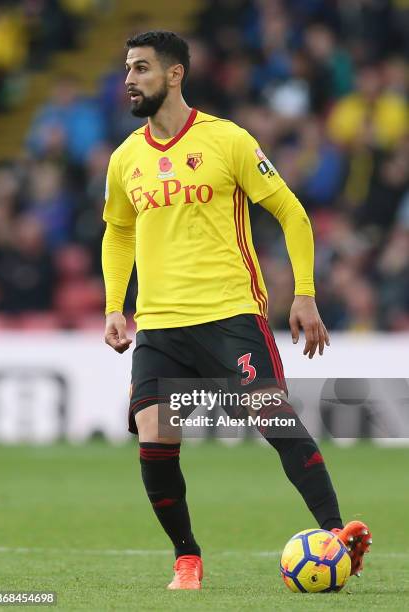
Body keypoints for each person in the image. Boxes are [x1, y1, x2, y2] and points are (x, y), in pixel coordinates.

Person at [101, 30, 372, 590]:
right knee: (154, 435)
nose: (130, 79)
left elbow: (291, 213)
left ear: (175, 75)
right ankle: (187, 558)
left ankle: (336, 535)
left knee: (274, 422)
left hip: (230, 315)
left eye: (142, 68)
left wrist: (303, 292)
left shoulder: (228, 141)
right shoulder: (125, 158)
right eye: (128, 68)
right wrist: (113, 307)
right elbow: (118, 233)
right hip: (160, 323)